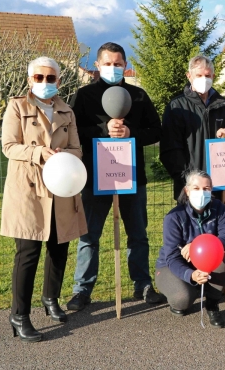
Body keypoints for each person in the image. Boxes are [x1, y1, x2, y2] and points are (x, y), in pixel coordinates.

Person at [67, 42, 163, 311]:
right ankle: (82, 290)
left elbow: (156, 131)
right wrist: (102, 129)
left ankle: (142, 284)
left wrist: (131, 132)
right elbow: (73, 131)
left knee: (138, 235)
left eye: (118, 64)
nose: (113, 68)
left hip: (132, 177)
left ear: (125, 65)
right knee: (89, 236)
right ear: (97, 66)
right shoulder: (84, 95)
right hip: (95, 178)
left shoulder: (139, 96)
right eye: (108, 64)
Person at [1, 57, 88, 342]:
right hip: (28, 189)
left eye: (50, 79)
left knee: (59, 246)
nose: (44, 83)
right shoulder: (17, 106)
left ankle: (51, 299)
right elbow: (9, 146)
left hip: (62, 188)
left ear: (59, 82)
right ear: (29, 80)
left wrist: (64, 157)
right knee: (28, 252)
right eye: (38, 78)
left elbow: (77, 149)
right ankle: (19, 315)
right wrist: (39, 153)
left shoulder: (67, 111)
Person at [155, 170, 225, 328]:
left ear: (211, 190)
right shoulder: (173, 217)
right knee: (182, 299)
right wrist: (191, 275)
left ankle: (212, 304)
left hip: (207, 261)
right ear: (187, 191)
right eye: (196, 188)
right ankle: (187, 292)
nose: (202, 192)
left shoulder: (218, 208)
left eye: (206, 188)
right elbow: (172, 257)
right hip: (172, 265)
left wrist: (198, 244)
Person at [160, 55, 225, 200]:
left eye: (207, 75)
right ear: (189, 76)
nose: (203, 79)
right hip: (189, 186)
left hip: (218, 184)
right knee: (189, 222)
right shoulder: (177, 106)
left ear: (213, 76)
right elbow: (170, 149)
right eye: (198, 75)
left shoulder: (223, 105)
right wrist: (188, 178)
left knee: (217, 221)